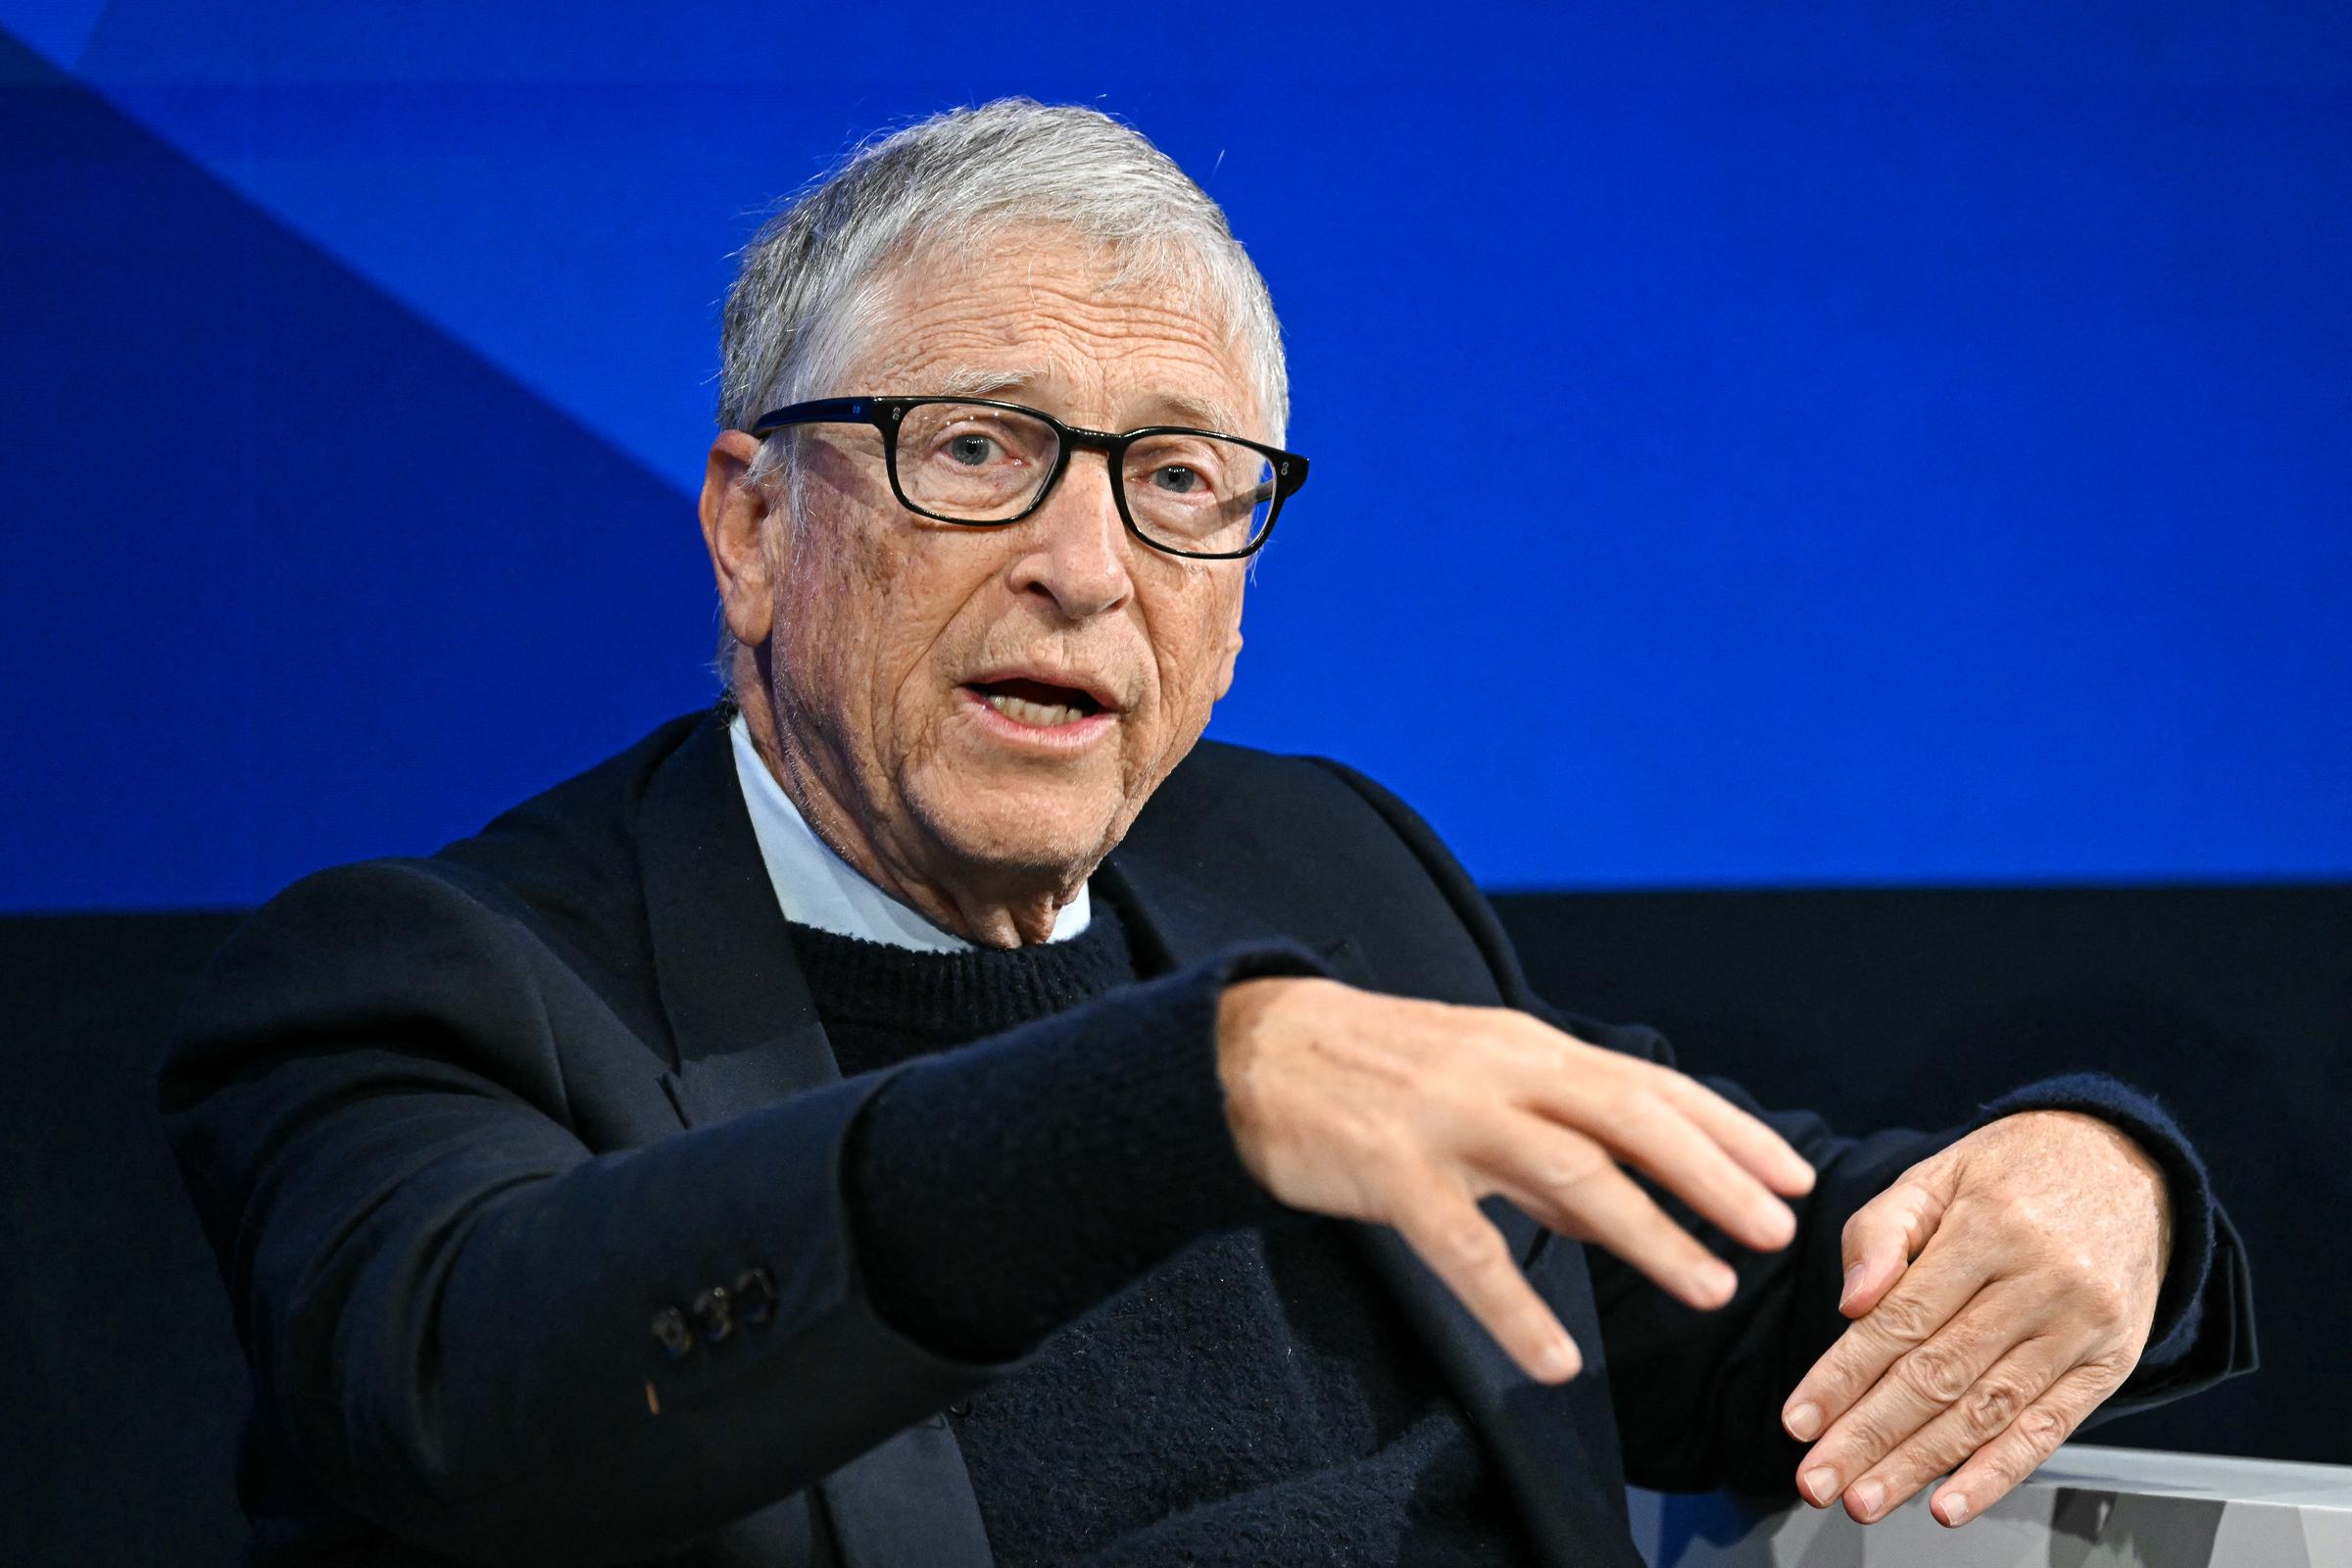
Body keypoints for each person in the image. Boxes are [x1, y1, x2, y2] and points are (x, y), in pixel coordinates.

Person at [162, 100, 2253, 1567]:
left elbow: (1766, 1279)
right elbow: (471, 1379)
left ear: (1239, 589)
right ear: (750, 526)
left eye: (1180, 480)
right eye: (979, 449)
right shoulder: (433, 984)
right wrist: (1197, 1089)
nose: (1088, 564)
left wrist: (2105, 1178)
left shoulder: (1325, 872)